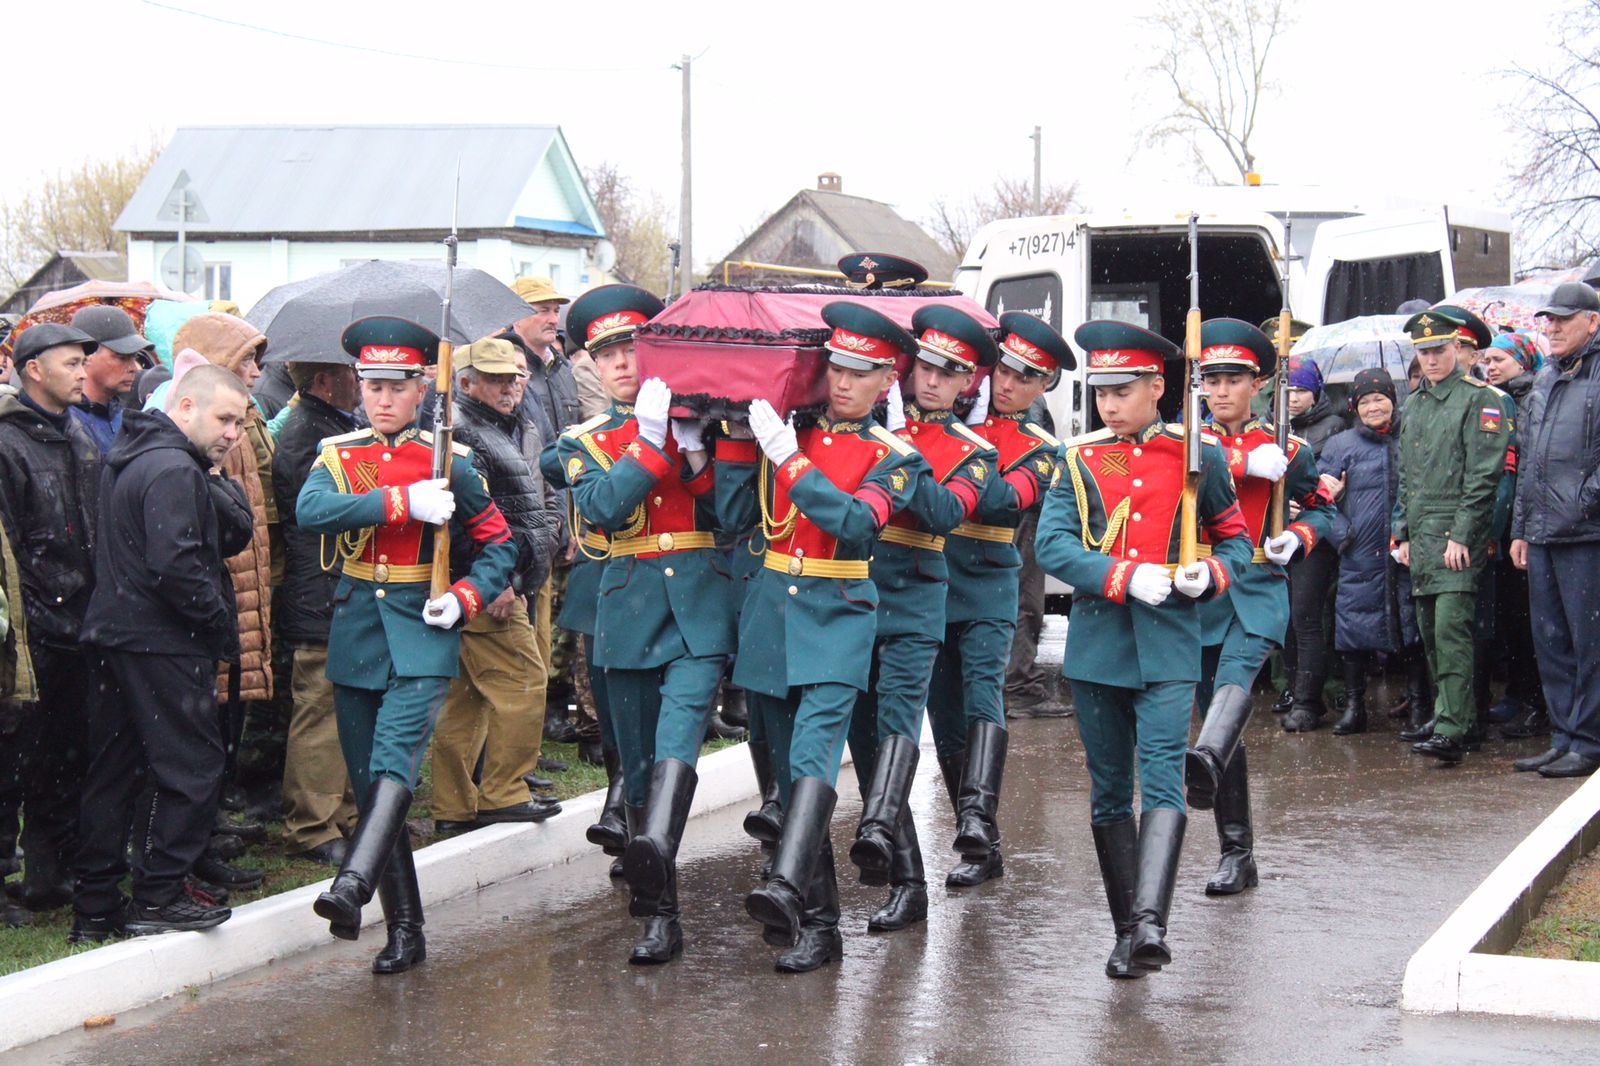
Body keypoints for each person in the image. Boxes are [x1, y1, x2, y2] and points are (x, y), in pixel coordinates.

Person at [296, 316, 516, 974]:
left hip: (425, 625)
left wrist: (467, 597)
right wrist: (400, 502)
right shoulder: (340, 456)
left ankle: (352, 887)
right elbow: (311, 512)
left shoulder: (453, 460)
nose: (382, 399)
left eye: (397, 386)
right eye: (372, 386)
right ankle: (406, 929)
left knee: (396, 759)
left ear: (423, 389)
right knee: (370, 785)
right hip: (360, 624)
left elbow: (501, 544)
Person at [1035, 320, 1252, 980]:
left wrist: (1205, 574)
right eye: (1101, 392)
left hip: (1169, 646)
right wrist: (1123, 576)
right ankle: (1127, 926)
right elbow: (1053, 546)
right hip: (1100, 645)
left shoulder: (1198, 457)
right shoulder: (1078, 459)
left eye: (1123, 391)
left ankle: (1151, 924)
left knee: (1162, 778)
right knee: (1108, 793)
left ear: (1157, 386)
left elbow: (1236, 542)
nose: (1109, 404)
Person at [720, 302, 924, 973]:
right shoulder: (789, 432)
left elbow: (855, 525)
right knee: (781, 762)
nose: (842, 382)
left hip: (839, 610)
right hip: (773, 610)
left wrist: (789, 460)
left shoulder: (895, 456)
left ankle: (785, 885)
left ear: (886, 381)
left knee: (812, 755)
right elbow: (731, 515)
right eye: (836, 366)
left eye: (860, 372)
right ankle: (819, 923)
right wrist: (728, 437)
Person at [558, 285, 736, 965]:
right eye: (608, 355)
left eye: (634, 346)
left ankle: (656, 862)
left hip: (697, 608)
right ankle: (659, 911)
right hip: (628, 612)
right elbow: (603, 507)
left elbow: (732, 515)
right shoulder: (583, 441)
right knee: (635, 769)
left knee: (676, 745)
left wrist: (695, 453)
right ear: (594, 369)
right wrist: (653, 444)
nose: (624, 363)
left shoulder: (710, 425)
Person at [74, 364, 254, 940]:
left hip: (119, 633)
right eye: (224, 419)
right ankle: (158, 894)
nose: (232, 433)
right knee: (191, 767)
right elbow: (176, 565)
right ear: (184, 407)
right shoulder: (172, 467)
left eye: (241, 422)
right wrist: (216, 623)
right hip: (160, 639)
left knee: (116, 770)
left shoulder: (137, 454)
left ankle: (98, 905)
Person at [847, 304, 997, 933]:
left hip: (914, 596)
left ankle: (943, 835)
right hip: (852, 594)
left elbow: (940, 514)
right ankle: (906, 878)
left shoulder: (975, 450)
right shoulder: (859, 426)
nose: (931, 381)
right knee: (861, 738)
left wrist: (895, 456)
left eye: (948, 372)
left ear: (968, 384)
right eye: (925, 367)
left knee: (896, 726)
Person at [1186, 320, 1332, 898]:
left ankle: (1209, 775)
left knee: (1234, 688)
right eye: (1212, 380)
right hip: (1203, 588)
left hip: (1259, 585)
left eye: (1233, 380)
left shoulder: (1291, 447)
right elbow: (1178, 490)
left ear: (1259, 383)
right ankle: (1237, 852)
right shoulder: (1185, 441)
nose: (1221, 392)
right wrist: (1241, 467)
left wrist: (1296, 537)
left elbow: (1321, 509)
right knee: (1217, 724)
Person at [927, 311, 1068, 889]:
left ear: (1042, 388)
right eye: (1002, 370)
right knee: (944, 716)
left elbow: (1001, 502)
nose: (1007, 385)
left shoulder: (1042, 447)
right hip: (931, 580)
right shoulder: (944, 419)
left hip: (988, 581)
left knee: (985, 695)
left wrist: (962, 439)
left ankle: (980, 823)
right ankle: (976, 837)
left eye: (1024, 378)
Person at [431, 338, 562, 833]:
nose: (509, 386)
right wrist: (500, 583)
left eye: (512, 377)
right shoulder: (460, 432)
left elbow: (539, 493)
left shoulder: (516, 424)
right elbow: (464, 522)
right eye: (495, 378)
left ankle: (455, 805)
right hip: (486, 584)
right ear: (465, 383)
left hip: (504, 576)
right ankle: (503, 793)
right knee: (524, 682)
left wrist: (540, 552)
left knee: (465, 697)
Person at [0, 324, 101, 914]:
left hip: (81, 626)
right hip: (32, 631)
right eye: (71, 362)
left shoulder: (80, 432)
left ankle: (48, 874)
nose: (82, 372)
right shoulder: (8, 443)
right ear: (33, 368)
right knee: (12, 760)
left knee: (64, 755)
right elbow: (10, 549)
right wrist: (32, 620)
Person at [173, 314, 276, 834]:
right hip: (219, 587)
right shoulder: (194, 435)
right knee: (203, 722)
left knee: (226, 714)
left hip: (241, 581)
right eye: (245, 360)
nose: (256, 373)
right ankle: (199, 831)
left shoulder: (240, 419)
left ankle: (213, 817)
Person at [1394, 305, 1510, 765]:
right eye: (1424, 352)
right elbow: (1406, 477)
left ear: (1459, 349)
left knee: (1452, 631)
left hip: (1453, 535)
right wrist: (1400, 533)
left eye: (1440, 350)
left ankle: (1454, 726)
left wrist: (1463, 535)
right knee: (1430, 633)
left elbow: (1484, 477)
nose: (1432, 360)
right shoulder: (1415, 404)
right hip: (1422, 536)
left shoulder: (1480, 399)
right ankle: (1450, 714)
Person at [271, 354, 364, 865]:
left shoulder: (329, 424)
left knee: (344, 708)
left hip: (334, 588)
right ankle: (310, 825)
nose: (360, 382)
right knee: (321, 711)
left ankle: (345, 814)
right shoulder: (309, 433)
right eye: (352, 374)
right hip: (319, 590)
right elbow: (322, 511)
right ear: (324, 381)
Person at [1510, 282, 1600, 778]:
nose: (1553, 327)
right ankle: (1564, 735)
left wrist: (1585, 503)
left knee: (1590, 643)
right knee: (1551, 640)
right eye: (1549, 320)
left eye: (1564, 319)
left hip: (1586, 533)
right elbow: (1529, 462)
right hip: (1542, 532)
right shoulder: (1544, 379)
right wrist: (1522, 527)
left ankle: (1589, 741)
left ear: (1592, 321)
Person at [1320, 369, 1429, 738]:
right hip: (1359, 552)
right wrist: (1343, 536)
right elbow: (1318, 501)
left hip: (1407, 551)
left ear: (1393, 401)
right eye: (1365, 401)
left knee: (1412, 629)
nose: (1373, 406)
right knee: (1352, 630)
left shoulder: (1412, 436)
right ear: (1354, 407)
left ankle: (1419, 704)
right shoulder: (1340, 445)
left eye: (1380, 398)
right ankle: (1355, 707)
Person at [1479, 333, 1548, 739]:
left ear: (1522, 361)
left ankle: (1538, 702)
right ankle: (1519, 693)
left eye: (1500, 358)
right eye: (1488, 359)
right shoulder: (1494, 400)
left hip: (1531, 523)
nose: (1491, 365)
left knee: (1531, 620)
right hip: (1503, 524)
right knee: (1509, 618)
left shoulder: (1532, 398)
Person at [1278, 351, 1347, 732]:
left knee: (1306, 616)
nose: (1292, 398)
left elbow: (1334, 477)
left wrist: (1304, 498)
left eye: (1301, 390)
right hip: (1277, 533)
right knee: (1285, 617)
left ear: (1316, 392)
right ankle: (1292, 688)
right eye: (1287, 389)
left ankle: (1308, 700)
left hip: (1314, 534)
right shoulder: (1271, 426)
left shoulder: (1334, 426)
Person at [68, 305, 153, 456]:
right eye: (122, 357)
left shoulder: (126, 417)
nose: (134, 368)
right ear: (86, 356)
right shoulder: (66, 422)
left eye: (134, 357)